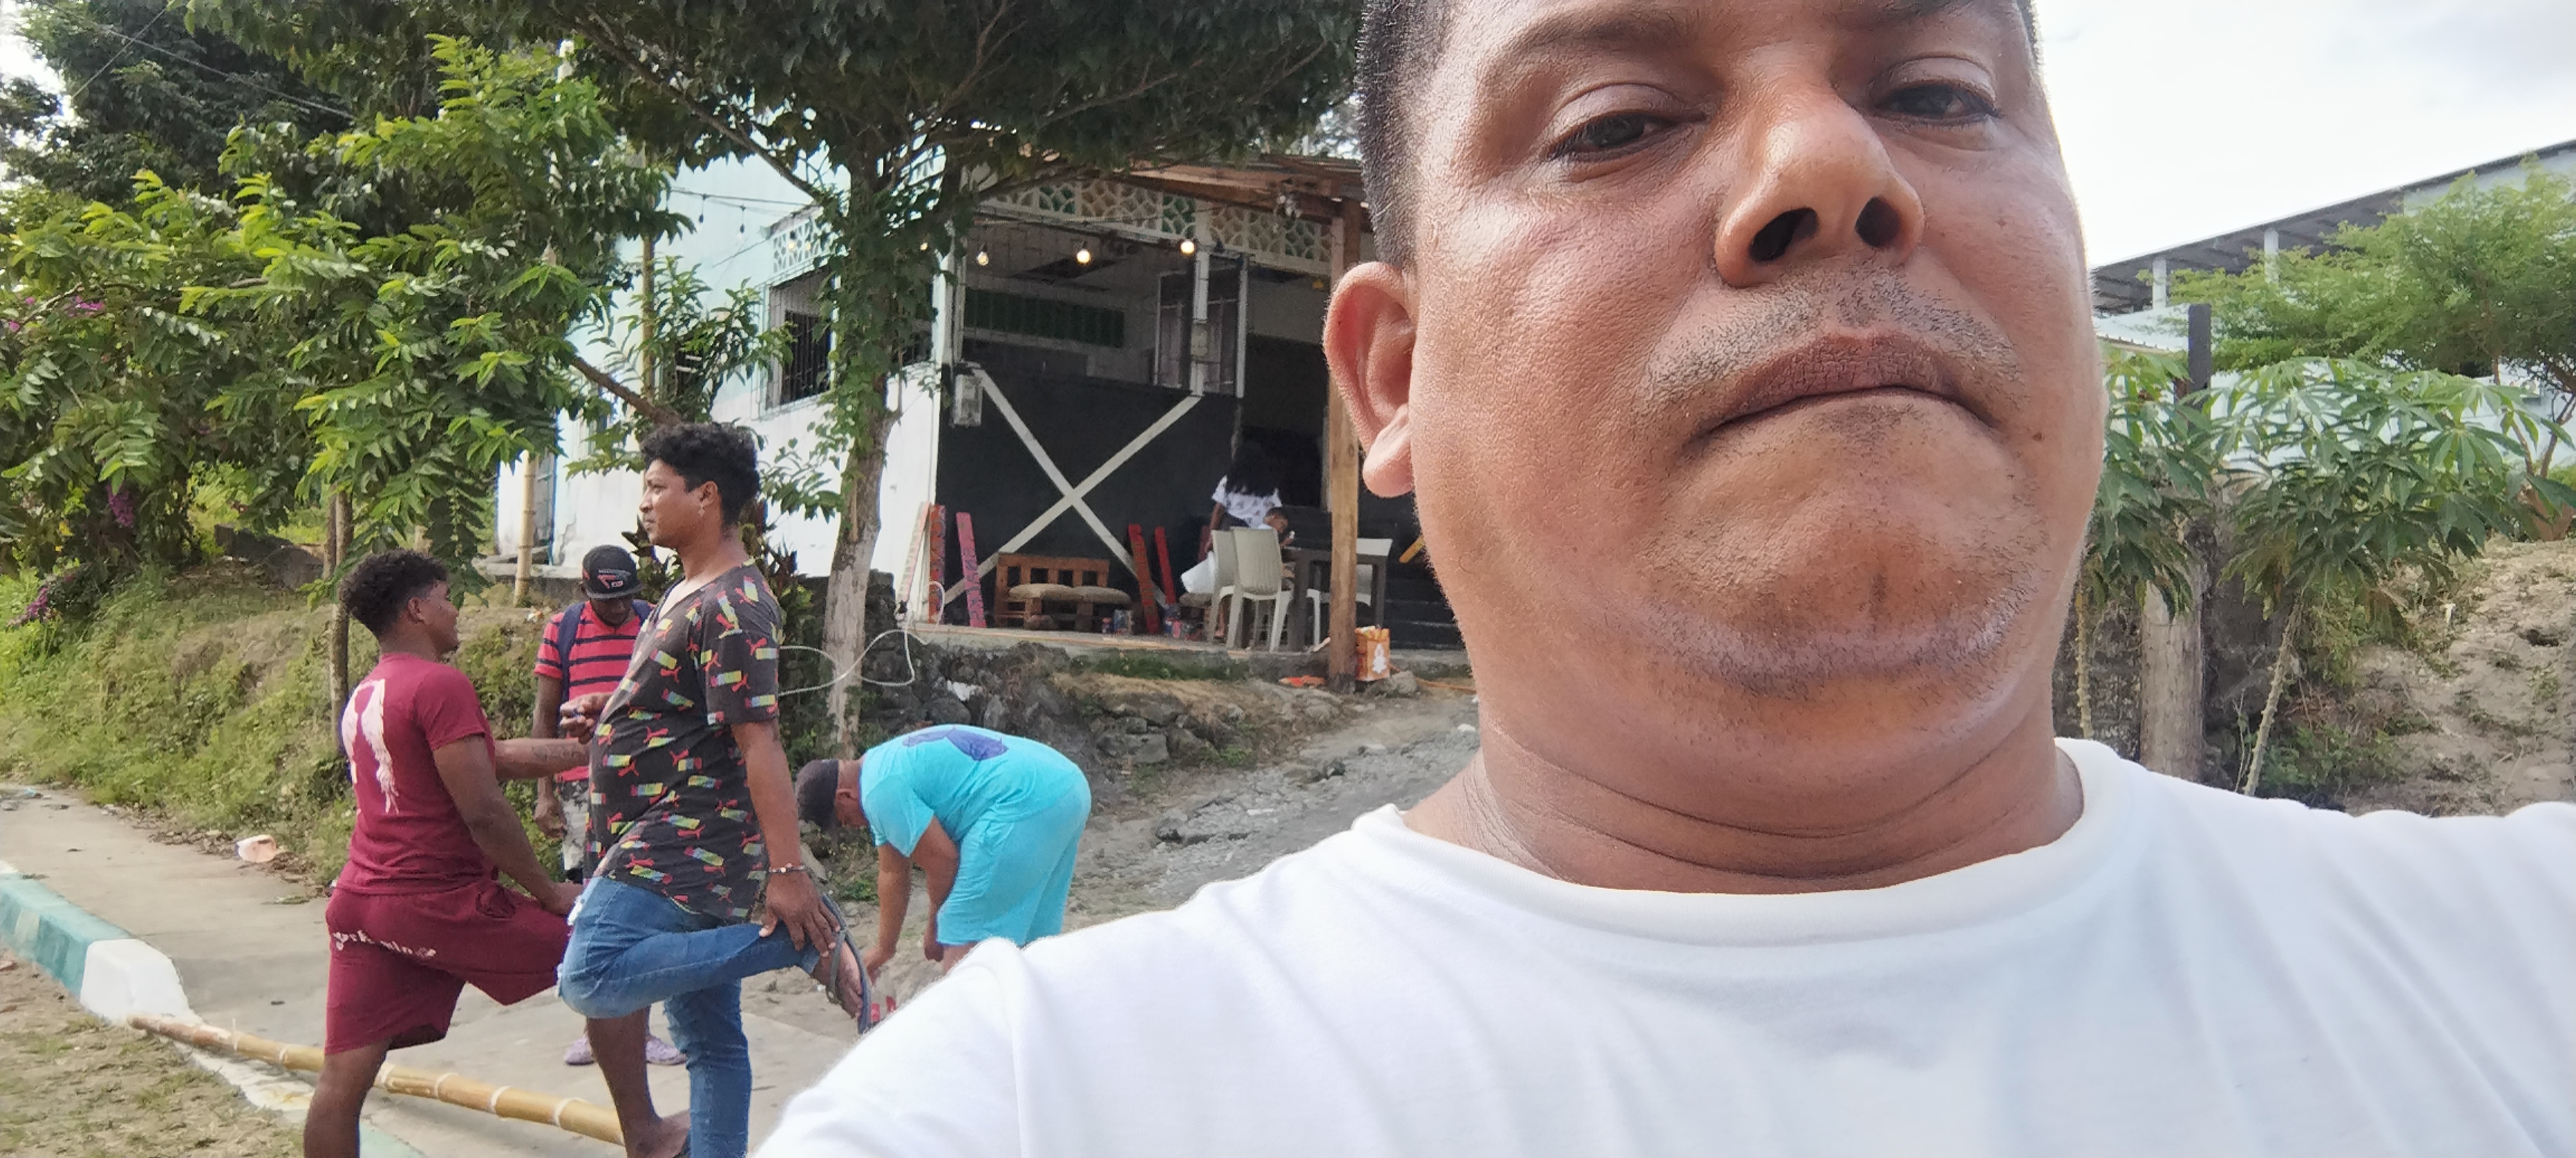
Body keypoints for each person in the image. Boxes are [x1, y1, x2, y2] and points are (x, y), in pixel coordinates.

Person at [760, 2, 2576, 1156]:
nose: (1830, 165)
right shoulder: (1031, 1111)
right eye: (1618, 121)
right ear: (1393, 378)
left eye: (1936, 90)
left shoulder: (2526, 962)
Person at [553, 423, 866, 1158]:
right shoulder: (686, 590)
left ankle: (792, 942)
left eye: (658, 487)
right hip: (669, 834)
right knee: (710, 1042)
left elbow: (761, 742)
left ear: (707, 496)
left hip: (682, 842)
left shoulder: (734, 605)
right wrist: (616, 711)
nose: (645, 503)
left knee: (591, 976)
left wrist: (787, 874)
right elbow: (693, 708)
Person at [310, 550, 682, 1158]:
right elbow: (483, 808)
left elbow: (493, 758)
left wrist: (596, 750)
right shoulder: (440, 684)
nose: (455, 610)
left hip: (361, 904)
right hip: (437, 900)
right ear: (417, 610)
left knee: (340, 1081)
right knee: (610, 955)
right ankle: (646, 1133)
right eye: (445, 597)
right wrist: (548, 890)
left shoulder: (369, 691)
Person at [529, 543, 683, 1068]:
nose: (617, 609)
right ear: (584, 591)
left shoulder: (653, 622)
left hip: (647, 783)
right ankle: (594, 1028)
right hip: (581, 789)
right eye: (606, 600)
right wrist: (545, 792)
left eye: (625, 599)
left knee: (645, 902)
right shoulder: (563, 629)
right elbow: (545, 712)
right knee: (591, 907)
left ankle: (642, 1030)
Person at [790, 726, 1092, 976]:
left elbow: (944, 862)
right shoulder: (879, 768)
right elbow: (892, 871)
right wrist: (884, 949)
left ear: (844, 797)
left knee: (962, 940)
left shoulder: (879, 793)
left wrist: (935, 927)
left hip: (1022, 801)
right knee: (1034, 946)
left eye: (844, 821)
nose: (853, 827)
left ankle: (971, 1028)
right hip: (1065, 787)